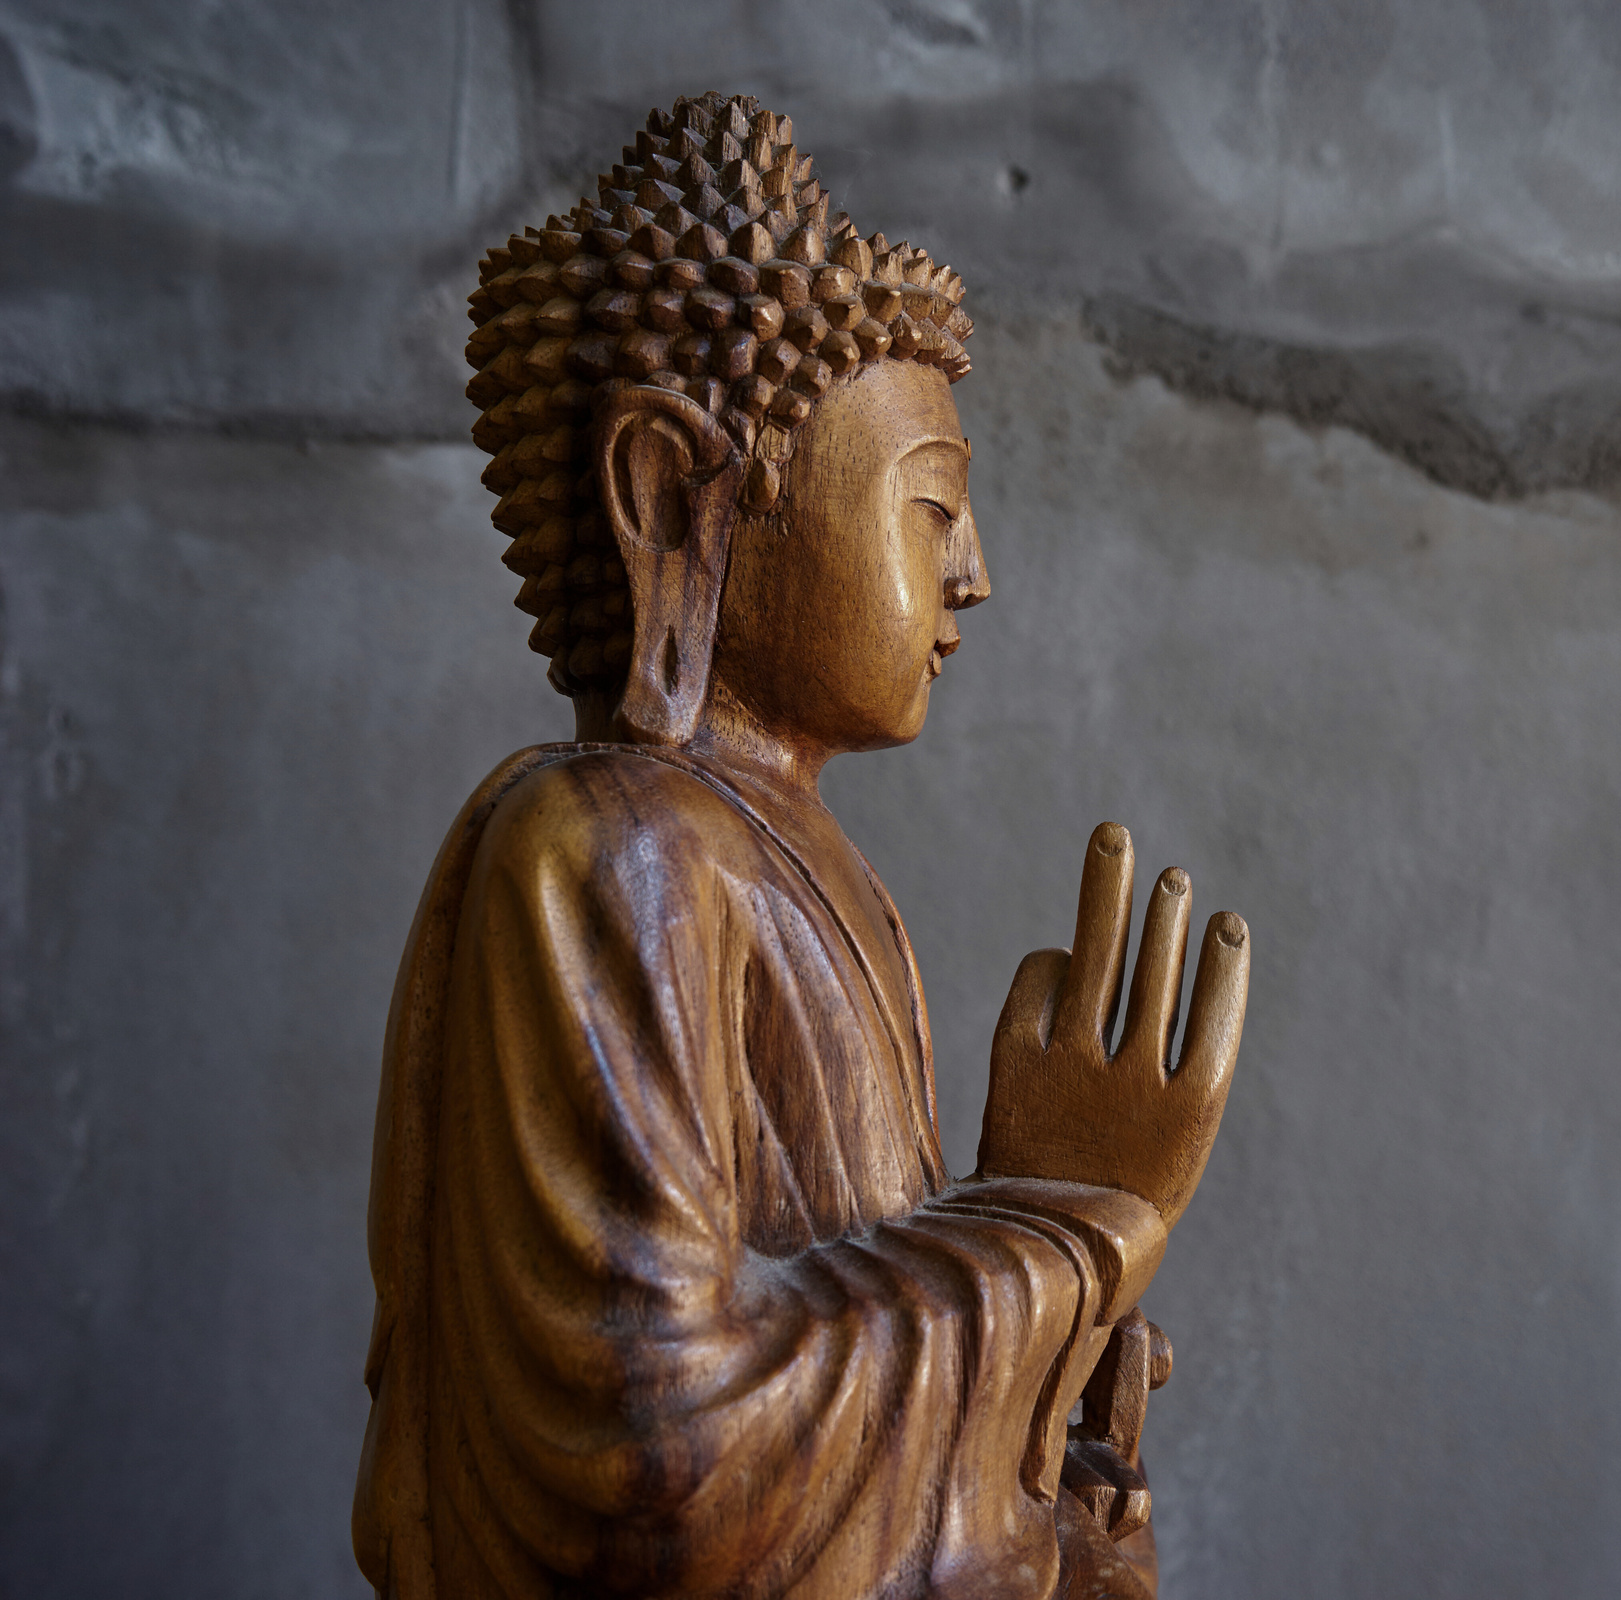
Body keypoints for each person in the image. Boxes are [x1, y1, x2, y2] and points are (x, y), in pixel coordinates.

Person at [353, 92, 1249, 1600]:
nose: (974, 574)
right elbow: (657, 1461)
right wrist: (1060, 1224)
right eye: (928, 507)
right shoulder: (606, 853)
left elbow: (853, 1344)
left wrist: (1038, 1441)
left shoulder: (803, 868)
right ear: (667, 493)